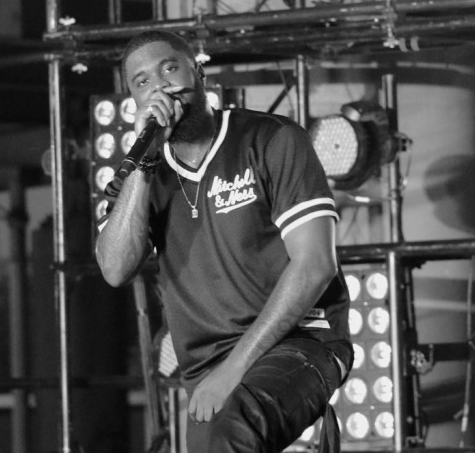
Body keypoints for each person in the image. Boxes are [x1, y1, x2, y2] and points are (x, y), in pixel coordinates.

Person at [95, 30, 353, 452]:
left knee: (236, 422)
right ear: (135, 103)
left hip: (300, 342)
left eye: (169, 68)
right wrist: (143, 165)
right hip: (207, 369)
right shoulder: (141, 178)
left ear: (197, 71)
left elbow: (315, 266)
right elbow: (114, 269)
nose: (158, 86)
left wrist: (234, 370)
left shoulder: (271, 138)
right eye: (142, 82)